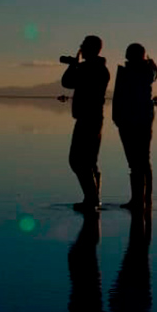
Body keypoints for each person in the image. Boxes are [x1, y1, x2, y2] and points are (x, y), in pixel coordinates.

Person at [61, 36, 110, 213]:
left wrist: (73, 64)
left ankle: (92, 198)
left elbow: (67, 82)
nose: (81, 48)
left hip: (88, 119)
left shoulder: (90, 68)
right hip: (94, 118)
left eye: (83, 46)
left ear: (91, 48)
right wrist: (76, 64)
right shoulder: (99, 68)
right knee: (89, 161)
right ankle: (93, 198)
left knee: (77, 160)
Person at [112, 43, 157, 211]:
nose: (128, 56)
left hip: (137, 121)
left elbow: (150, 76)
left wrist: (150, 64)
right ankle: (141, 199)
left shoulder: (143, 71)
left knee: (139, 161)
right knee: (139, 162)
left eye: (131, 53)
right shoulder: (138, 71)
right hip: (128, 120)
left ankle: (141, 200)